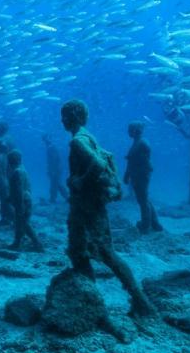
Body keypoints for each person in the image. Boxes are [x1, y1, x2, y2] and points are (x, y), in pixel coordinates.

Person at [61, 99, 155, 317]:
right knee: (78, 250)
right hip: (84, 204)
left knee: (104, 251)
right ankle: (91, 301)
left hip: (87, 204)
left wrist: (80, 181)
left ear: (73, 117)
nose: (62, 120)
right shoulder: (87, 135)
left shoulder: (78, 141)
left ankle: (141, 303)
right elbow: (107, 157)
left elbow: (99, 163)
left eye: (64, 116)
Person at [124, 121, 163, 234]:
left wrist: (129, 174)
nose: (128, 132)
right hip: (138, 174)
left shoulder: (141, 143)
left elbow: (136, 160)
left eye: (130, 129)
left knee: (142, 200)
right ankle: (155, 223)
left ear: (136, 130)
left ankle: (145, 225)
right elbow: (131, 161)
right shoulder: (138, 142)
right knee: (144, 198)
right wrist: (127, 174)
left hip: (141, 175)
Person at [7, 150, 44, 252]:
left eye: (9, 160)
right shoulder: (22, 169)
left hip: (22, 201)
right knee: (20, 223)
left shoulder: (17, 172)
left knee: (24, 223)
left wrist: (20, 205)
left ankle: (37, 244)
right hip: (25, 200)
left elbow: (19, 190)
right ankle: (18, 242)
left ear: (11, 160)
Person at [42, 134, 69, 204]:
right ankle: (65, 197)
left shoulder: (50, 147)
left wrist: (52, 171)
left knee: (54, 184)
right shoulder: (51, 147)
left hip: (55, 170)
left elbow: (53, 160)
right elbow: (52, 160)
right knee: (57, 183)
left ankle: (53, 199)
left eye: (46, 138)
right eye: (44, 139)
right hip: (57, 169)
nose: (45, 140)